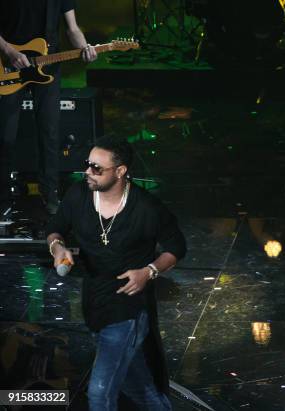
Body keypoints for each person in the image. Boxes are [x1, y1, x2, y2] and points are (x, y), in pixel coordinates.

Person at [46, 136, 186, 410]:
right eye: (88, 165)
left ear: (120, 171)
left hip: (127, 308)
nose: (88, 172)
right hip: (94, 301)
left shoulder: (147, 208)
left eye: (97, 168)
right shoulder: (78, 195)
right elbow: (55, 226)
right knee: (138, 388)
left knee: (99, 393)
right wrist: (57, 247)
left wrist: (149, 271)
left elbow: (176, 248)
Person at [0, 0, 97, 214]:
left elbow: (72, 29)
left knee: (50, 131)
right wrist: (9, 51)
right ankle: (2, 196)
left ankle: (50, 193)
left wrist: (84, 47)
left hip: (48, 63)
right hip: (9, 62)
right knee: (5, 135)